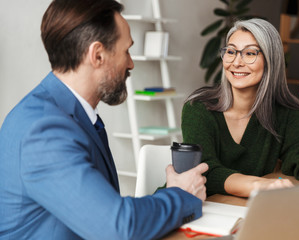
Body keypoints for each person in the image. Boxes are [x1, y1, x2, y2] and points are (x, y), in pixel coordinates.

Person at [0, 1, 208, 239]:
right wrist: (182, 195)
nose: (130, 63)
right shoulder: (42, 130)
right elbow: (117, 227)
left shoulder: (70, 114)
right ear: (97, 55)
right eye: (126, 51)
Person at [181, 18, 299, 198]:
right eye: (231, 51)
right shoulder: (199, 109)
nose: (236, 62)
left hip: (240, 211)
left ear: (270, 61)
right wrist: (259, 185)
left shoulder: (286, 114)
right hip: (191, 210)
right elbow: (203, 172)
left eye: (250, 53)